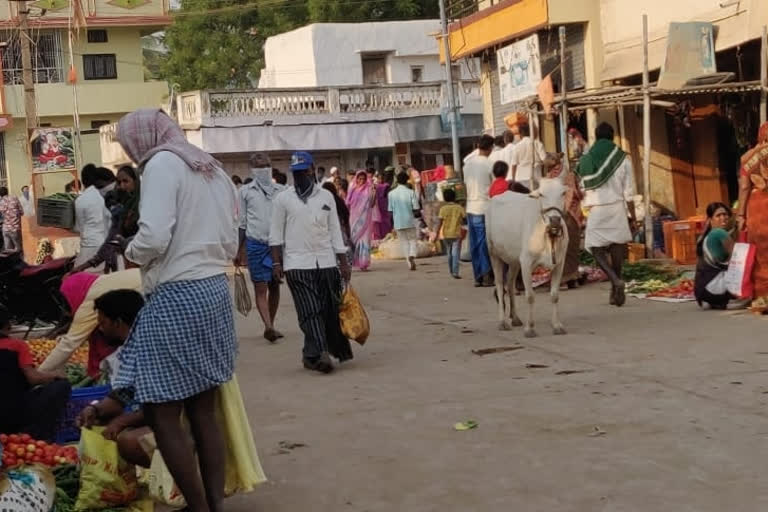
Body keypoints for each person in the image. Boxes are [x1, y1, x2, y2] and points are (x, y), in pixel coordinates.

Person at [114, 108, 239, 512]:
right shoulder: (209, 166)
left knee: (161, 409)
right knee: (203, 405)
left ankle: (199, 506)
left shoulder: (163, 164)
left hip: (177, 291)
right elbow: (231, 232)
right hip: (213, 288)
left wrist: (131, 252)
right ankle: (214, 504)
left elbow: (152, 236)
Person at [270, 151, 353, 374]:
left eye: (304, 171)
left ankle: (310, 354)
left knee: (327, 310)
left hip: (326, 262)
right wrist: (276, 264)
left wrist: (343, 262)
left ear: (312, 169)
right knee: (310, 310)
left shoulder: (326, 198)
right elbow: (275, 234)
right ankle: (322, 352)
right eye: (296, 173)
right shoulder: (282, 200)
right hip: (296, 264)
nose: (301, 176)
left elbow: (335, 231)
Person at [76, 289, 150, 466]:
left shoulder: (149, 350)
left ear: (117, 322)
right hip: (151, 415)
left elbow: (163, 407)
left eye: (102, 323)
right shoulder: (126, 352)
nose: (100, 329)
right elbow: (123, 394)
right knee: (100, 421)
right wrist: (95, 410)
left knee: (128, 442)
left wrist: (121, 422)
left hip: (175, 422)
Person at [576, 122, 637, 307]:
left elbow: (581, 187)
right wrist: (632, 216)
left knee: (595, 247)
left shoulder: (586, 159)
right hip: (618, 207)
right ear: (612, 137)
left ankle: (615, 284)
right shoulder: (623, 159)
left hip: (597, 208)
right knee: (617, 247)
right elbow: (629, 192)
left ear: (595, 136)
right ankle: (616, 283)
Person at [39, 269, 142, 375]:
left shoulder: (92, 300)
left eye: (67, 301)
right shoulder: (100, 283)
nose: (67, 308)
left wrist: (40, 373)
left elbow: (69, 343)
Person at [0, 306, 71, 441]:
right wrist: (55, 375)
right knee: (60, 386)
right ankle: (36, 436)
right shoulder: (17, 346)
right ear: (7, 326)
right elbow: (33, 378)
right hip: (16, 412)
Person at [238, 152, 285, 343]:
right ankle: (268, 326)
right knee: (260, 287)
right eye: (258, 166)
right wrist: (238, 250)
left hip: (277, 245)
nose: (263, 169)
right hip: (255, 244)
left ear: (271, 166)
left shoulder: (282, 191)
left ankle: (271, 324)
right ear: (252, 169)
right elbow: (242, 222)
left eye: (265, 165)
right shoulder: (245, 192)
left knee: (275, 285)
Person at [70, 165, 140, 274]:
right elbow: (112, 240)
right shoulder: (120, 210)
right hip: (130, 265)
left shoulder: (144, 205)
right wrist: (86, 265)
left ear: (136, 181)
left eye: (126, 181)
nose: (122, 186)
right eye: (119, 182)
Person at [736, 121, 768, 302]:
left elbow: (745, 187)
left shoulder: (748, 158)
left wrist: (740, 214)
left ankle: (763, 298)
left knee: (762, 256)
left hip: (758, 210)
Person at [546, 153, 583, 288]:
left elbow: (570, 193)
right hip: (568, 214)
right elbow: (576, 193)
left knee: (561, 248)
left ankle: (564, 278)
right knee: (570, 247)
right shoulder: (564, 174)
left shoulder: (555, 177)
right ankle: (572, 277)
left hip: (561, 215)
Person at [464, 134, 495, 287]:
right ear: (490, 148)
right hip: (485, 207)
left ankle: (478, 276)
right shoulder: (489, 164)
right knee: (484, 243)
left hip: (471, 206)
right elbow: (494, 186)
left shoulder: (467, 164)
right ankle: (486, 273)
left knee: (475, 243)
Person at [694, 202, 735, 309]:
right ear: (711, 219)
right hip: (716, 288)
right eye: (718, 215)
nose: (723, 218)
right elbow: (735, 259)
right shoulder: (719, 233)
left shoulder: (706, 235)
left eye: (725, 214)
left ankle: (715, 301)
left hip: (703, 291)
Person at [73, 164, 112, 271]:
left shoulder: (80, 200)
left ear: (83, 181)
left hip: (89, 247)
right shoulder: (107, 194)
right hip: (108, 246)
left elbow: (79, 228)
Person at [388, 171, 421, 271]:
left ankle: (409, 263)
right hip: (409, 220)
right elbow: (416, 208)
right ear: (407, 180)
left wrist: (392, 223)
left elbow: (390, 210)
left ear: (397, 181)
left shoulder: (391, 194)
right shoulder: (411, 192)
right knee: (412, 240)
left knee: (404, 242)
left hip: (398, 221)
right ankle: (412, 255)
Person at [346, 170, 375, 271]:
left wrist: (373, 191)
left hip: (365, 220)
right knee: (354, 241)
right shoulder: (352, 189)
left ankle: (364, 263)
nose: (361, 180)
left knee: (364, 241)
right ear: (356, 179)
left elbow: (372, 203)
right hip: (353, 219)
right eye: (359, 178)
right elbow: (347, 204)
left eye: (363, 179)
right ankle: (354, 261)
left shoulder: (369, 189)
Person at [433, 188, 465, 279]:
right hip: (456, 233)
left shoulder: (443, 209)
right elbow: (464, 219)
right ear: (454, 197)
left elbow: (439, 222)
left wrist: (437, 233)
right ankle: (455, 272)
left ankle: (451, 270)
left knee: (449, 252)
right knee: (455, 253)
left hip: (446, 234)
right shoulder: (459, 208)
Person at [509, 124, 547, 190]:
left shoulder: (517, 146)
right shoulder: (537, 143)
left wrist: (513, 179)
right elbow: (545, 160)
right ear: (531, 132)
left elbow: (514, 165)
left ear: (520, 134)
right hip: (536, 178)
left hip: (521, 179)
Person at [0, 187, 24, 254]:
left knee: (8, 250)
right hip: (15, 229)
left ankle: (10, 263)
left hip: (5, 229)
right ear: (7, 192)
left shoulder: (1, 202)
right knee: (18, 249)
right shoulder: (14, 198)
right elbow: (22, 212)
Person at [373, 167, 394, 240]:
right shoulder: (376, 186)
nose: (380, 180)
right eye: (379, 178)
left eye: (382, 178)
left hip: (385, 207)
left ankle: (387, 237)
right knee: (381, 223)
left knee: (386, 223)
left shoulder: (386, 186)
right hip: (379, 208)